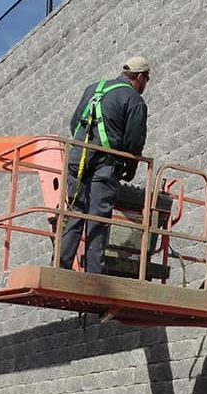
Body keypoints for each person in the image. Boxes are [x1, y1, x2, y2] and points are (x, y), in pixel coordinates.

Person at [58, 57, 151, 274]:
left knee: (75, 212)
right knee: (98, 219)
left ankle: (61, 266)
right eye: (146, 79)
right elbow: (134, 140)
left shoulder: (94, 89)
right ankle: (93, 274)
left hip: (77, 161)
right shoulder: (134, 100)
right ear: (139, 77)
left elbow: (74, 123)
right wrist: (130, 165)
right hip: (104, 165)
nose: (145, 84)